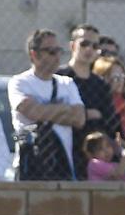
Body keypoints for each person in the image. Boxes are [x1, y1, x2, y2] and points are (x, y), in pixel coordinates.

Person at [8, 29, 83, 181]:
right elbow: (31, 111)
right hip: (29, 164)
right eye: (51, 52)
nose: (57, 57)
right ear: (34, 54)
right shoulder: (20, 82)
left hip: (62, 167)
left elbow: (79, 119)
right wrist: (64, 109)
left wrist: (44, 111)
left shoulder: (66, 83)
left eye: (58, 51)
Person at [64, 23, 119, 174]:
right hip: (64, 150)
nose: (89, 49)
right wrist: (87, 114)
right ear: (72, 46)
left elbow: (110, 121)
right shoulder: (60, 78)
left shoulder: (100, 85)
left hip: (94, 158)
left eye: (95, 46)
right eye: (84, 44)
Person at [95, 55, 125, 134]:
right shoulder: (97, 101)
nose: (120, 81)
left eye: (122, 77)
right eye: (116, 77)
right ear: (103, 78)